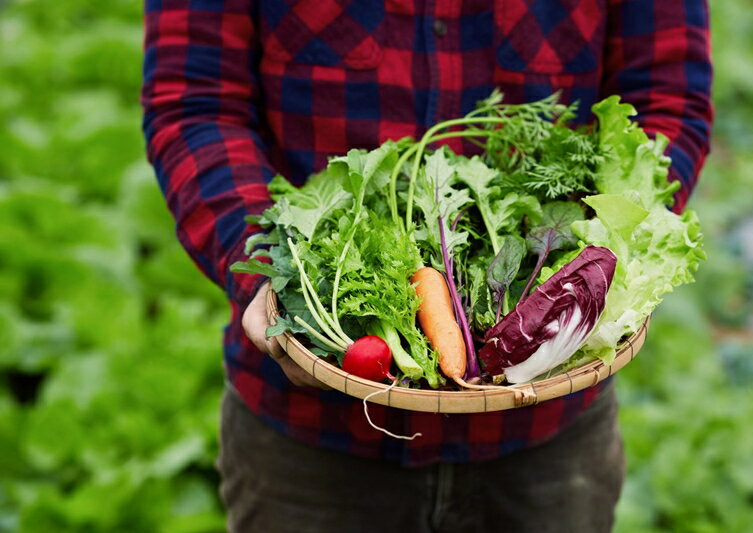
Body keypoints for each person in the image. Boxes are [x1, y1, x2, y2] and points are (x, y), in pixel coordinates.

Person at [142, 1, 712, 531]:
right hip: (310, 429)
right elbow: (195, 102)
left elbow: (668, 97)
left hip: (547, 439)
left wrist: (589, 268)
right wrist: (273, 271)